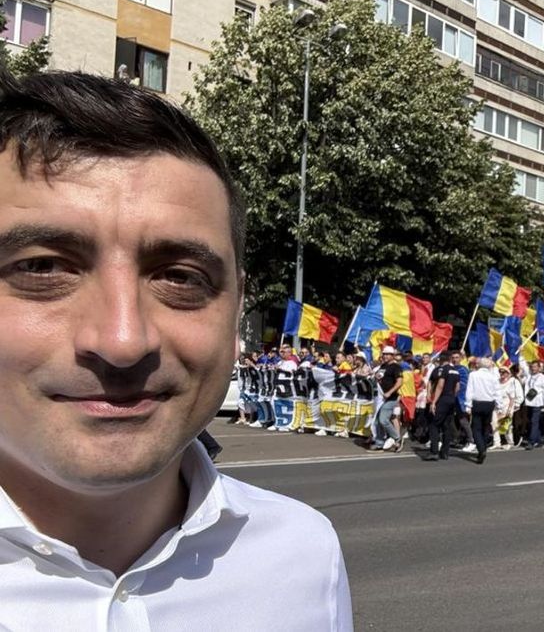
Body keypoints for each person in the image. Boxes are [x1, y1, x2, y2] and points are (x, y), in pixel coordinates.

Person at [0, 71, 350, 629]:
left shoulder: (304, 553)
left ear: (238, 306)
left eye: (181, 278)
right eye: (42, 267)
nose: (122, 340)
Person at [427, 351, 465, 460]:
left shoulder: (442, 370)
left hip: (442, 399)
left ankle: (434, 452)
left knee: (434, 424)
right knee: (446, 426)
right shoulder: (455, 371)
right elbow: (457, 387)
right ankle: (445, 452)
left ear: (440, 360)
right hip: (451, 399)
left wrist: (434, 401)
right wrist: (452, 396)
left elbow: (439, 385)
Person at [465, 357, 501, 465]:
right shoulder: (493, 376)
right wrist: (500, 405)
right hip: (489, 403)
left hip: (477, 403)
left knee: (476, 427)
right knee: (486, 426)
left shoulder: (473, 375)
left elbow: (469, 390)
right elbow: (497, 391)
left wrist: (468, 405)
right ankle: (483, 446)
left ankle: (481, 449)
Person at [371, 346, 404, 452]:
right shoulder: (383, 366)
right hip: (380, 397)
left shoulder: (396, 367)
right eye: (384, 354)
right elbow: (378, 377)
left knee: (383, 420)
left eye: (387, 354)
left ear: (392, 356)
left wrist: (389, 392)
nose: (385, 356)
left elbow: (399, 382)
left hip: (391, 398)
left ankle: (397, 438)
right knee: (377, 421)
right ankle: (379, 442)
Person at [524, 361, 544, 450]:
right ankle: (538, 440)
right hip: (529, 402)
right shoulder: (529, 376)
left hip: (538, 403)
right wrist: (521, 355)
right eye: (532, 367)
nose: (533, 368)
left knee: (534, 422)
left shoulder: (542, 378)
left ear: (539, 368)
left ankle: (531, 441)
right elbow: (523, 366)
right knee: (533, 422)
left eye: (535, 367)